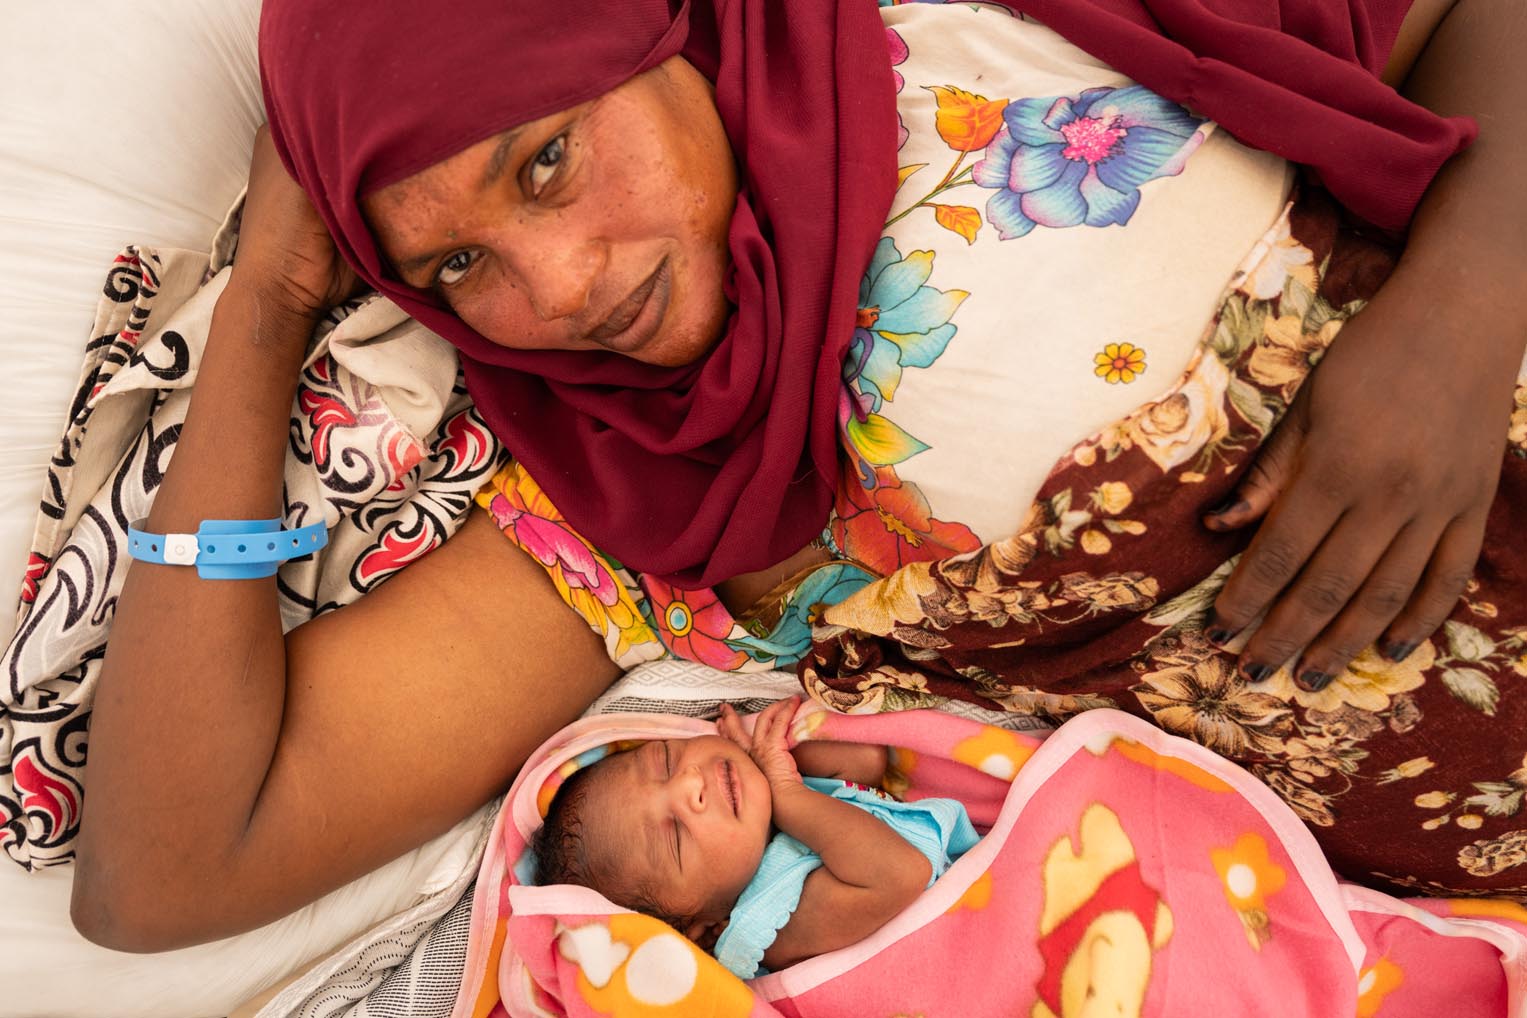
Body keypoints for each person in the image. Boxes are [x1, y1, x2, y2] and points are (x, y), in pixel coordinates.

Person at [66, 0, 1526, 954]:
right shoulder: (643, 505)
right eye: (458, 269)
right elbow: (167, 869)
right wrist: (265, 306)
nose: (560, 288)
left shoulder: (990, 35)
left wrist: (1456, 316)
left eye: (547, 163)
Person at [531, 697, 978, 978]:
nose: (689, 784)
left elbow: (863, 758)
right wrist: (785, 794)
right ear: (703, 929)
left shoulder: (778, 828)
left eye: (664, 761)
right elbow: (899, 874)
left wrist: (771, 772)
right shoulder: (768, 924)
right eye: (677, 836)